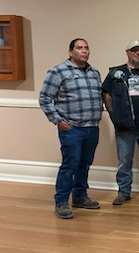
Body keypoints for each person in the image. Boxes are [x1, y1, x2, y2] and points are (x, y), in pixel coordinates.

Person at [39, 38, 103, 219]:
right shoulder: (58, 71)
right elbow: (44, 98)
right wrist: (57, 120)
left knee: (85, 164)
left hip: (92, 127)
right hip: (72, 128)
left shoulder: (94, 72)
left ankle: (80, 197)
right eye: (79, 48)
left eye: (86, 48)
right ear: (70, 51)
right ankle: (61, 202)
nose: (84, 51)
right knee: (70, 165)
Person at [103, 40, 139, 205]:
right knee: (124, 161)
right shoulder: (116, 73)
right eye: (134, 50)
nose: (138, 53)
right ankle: (123, 192)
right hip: (124, 126)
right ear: (127, 52)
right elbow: (107, 94)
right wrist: (114, 115)